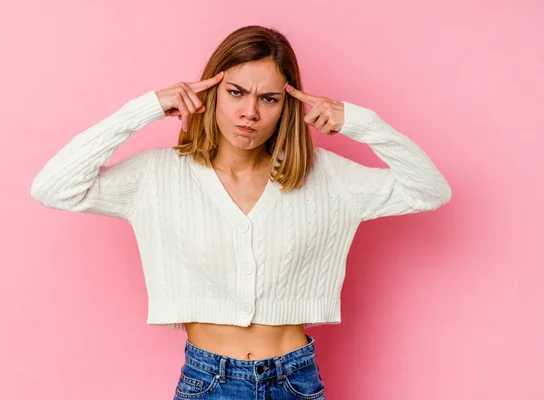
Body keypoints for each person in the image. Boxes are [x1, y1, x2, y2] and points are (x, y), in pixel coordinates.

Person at [30, 25, 451, 400]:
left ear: (285, 106)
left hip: (295, 382)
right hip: (207, 382)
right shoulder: (158, 175)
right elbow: (54, 187)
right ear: (210, 91)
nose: (250, 112)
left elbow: (429, 191)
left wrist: (361, 123)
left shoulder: (326, 178)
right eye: (236, 92)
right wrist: (146, 108)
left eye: (268, 98)